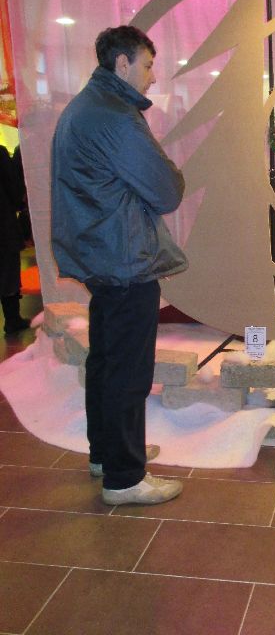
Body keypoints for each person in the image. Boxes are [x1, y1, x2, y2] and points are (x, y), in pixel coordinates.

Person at [51, 25, 188, 506]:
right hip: (125, 259)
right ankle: (125, 478)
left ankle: (107, 454)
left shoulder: (83, 107)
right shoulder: (116, 116)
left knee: (107, 361)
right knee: (128, 369)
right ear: (122, 63)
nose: (153, 76)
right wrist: (173, 174)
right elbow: (167, 191)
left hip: (100, 254)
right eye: (147, 65)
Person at [0, 144, 31, 335]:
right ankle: (12, 319)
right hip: (3, 226)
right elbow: (14, 188)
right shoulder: (0, 153)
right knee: (8, 272)